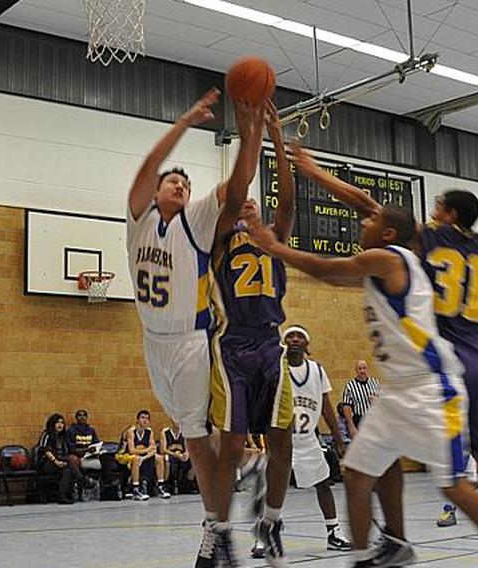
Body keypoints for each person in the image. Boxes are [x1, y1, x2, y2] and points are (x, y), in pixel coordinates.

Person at [243, 180, 478, 568]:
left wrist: (272, 245)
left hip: (432, 386)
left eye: (372, 221)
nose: (363, 223)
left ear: (390, 233)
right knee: (358, 473)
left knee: (455, 485)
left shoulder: (392, 258)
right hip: (401, 389)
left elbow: (326, 268)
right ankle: (372, 555)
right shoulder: (450, 252)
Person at [125, 83, 263, 568]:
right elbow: (147, 167)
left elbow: (238, 185)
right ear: (157, 191)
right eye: (173, 183)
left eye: (185, 184)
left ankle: (216, 531)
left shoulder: (198, 221)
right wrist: (184, 121)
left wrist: (251, 135)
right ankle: (242, 464)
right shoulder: (139, 219)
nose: (180, 187)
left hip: (189, 341)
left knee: (192, 437)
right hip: (151, 341)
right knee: (189, 433)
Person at [207, 101, 294, 568]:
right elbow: (236, 195)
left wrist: (276, 140)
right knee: (235, 445)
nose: (249, 201)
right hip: (233, 345)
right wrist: (250, 132)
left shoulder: (275, 236)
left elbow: (287, 201)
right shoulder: (221, 236)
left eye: (253, 199)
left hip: (269, 343)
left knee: (284, 445)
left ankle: (272, 522)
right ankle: (221, 530)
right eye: (243, 199)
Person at [253, 325, 351, 555]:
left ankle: (334, 532)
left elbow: (327, 407)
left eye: (300, 337)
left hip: (308, 440)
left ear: (307, 344)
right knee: (271, 488)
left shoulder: (316, 370)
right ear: (283, 343)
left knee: (323, 484)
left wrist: (338, 439)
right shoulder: (275, 369)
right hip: (280, 442)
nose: (295, 339)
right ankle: (264, 532)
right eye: (290, 336)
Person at [38, 413, 94, 504]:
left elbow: (68, 451)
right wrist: (56, 462)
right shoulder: (47, 435)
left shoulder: (63, 436)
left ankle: (63, 496)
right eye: (57, 423)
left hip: (61, 459)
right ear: (52, 424)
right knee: (70, 462)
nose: (60, 425)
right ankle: (82, 480)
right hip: (48, 462)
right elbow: (46, 450)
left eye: (62, 423)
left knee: (68, 470)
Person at [118, 410, 169, 501]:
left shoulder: (149, 431)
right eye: (142, 418)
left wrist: (144, 457)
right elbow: (132, 450)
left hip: (143, 457)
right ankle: (136, 489)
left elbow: (153, 448)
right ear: (137, 420)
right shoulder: (131, 431)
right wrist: (146, 450)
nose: (145, 420)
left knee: (159, 458)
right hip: (127, 457)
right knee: (136, 459)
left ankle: (160, 486)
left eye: (147, 418)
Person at [341, 360, 382, 437]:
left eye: (364, 368)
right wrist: (351, 427)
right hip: (359, 420)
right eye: (359, 369)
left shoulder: (375, 383)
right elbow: (346, 408)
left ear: (367, 369)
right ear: (356, 370)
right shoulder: (350, 386)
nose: (362, 371)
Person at [161, 418, 194, 495]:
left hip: (181, 455)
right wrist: (175, 455)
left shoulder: (184, 432)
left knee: (195, 461)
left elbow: (187, 447)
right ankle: (166, 484)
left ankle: (188, 484)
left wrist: (187, 453)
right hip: (170, 455)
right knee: (166, 459)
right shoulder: (165, 432)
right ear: (171, 420)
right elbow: (163, 450)